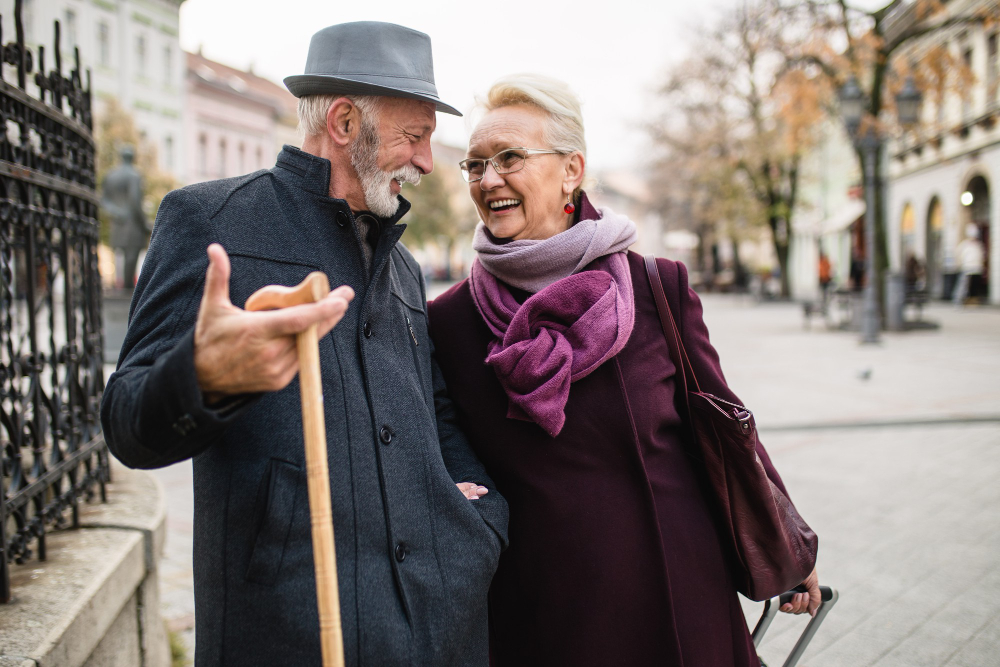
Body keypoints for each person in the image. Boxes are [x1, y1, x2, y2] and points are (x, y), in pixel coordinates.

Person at [101, 22, 507, 666]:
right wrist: (205, 374)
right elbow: (127, 425)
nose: (428, 161)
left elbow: (438, 415)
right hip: (288, 631)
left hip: (435, 626)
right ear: (345, 122)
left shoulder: (400, 266)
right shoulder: (209, 221)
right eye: (414, 136)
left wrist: (471, 521)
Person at [427, 74, 820, 666]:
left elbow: (725, 422)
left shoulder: (655, 286)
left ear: (571, 169)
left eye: (510, 158)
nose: (489, 179)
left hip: (677, 594)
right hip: (539, 615)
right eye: (476, 165)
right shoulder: (448, 321)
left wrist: (788, 548)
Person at [101, 144, 149, 288]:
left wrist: (116, 212)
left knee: (118, 255)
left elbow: (104, 200)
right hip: (132, 223)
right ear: (133, 157)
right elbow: (135, 201)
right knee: (131, 255)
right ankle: (127, 290)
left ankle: (119, 287)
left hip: (117, 223)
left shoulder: (110, 175)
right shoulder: (134, 175)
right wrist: (144, 223)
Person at [953, 223, 985, 305]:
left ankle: (972, 300)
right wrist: (959, 264)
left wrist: (981, 265)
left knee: (974, 286)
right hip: (967, 267)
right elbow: (958, 254)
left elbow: (982, 255)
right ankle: (958, 300)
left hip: (976, 268)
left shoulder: (978, 245)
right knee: (963, 285)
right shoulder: (965, 244)